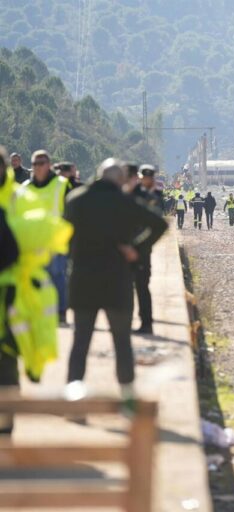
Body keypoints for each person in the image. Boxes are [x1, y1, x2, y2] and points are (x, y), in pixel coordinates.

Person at [64, 158, 167, 400]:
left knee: (80, 342)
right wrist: (136, 249)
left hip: (83, 280)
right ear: (121, 181)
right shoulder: (125, 202)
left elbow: (65, 233)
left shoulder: (76, 199)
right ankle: (127, 398)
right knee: (122, 342)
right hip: (117, 280)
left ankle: (74, 396)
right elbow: (159, 224)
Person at [0, 146, 72, 434]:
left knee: (7, 365)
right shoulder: (24, 193)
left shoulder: (21, 198)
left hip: (13, 298)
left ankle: (5, 434)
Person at [20, 150, 72, 325]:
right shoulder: (25, 188)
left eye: (41, 163)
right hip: (33, 243)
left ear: (49, 165)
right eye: (35, 164)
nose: (38, 167)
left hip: (56, 242)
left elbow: (71, 212)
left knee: (57, 276)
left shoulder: (61, 184)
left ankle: (60, 312)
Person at [131, 165, 163, 335]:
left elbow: (158, 220)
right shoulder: (133, 193)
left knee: (142, 285)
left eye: (150, 177)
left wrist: (142, 245)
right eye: (145, 177)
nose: (147, 180)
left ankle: (146, 322)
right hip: (130, 244)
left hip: (143, 248)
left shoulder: (155, 195)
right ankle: (128, 320)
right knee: (127, 287)